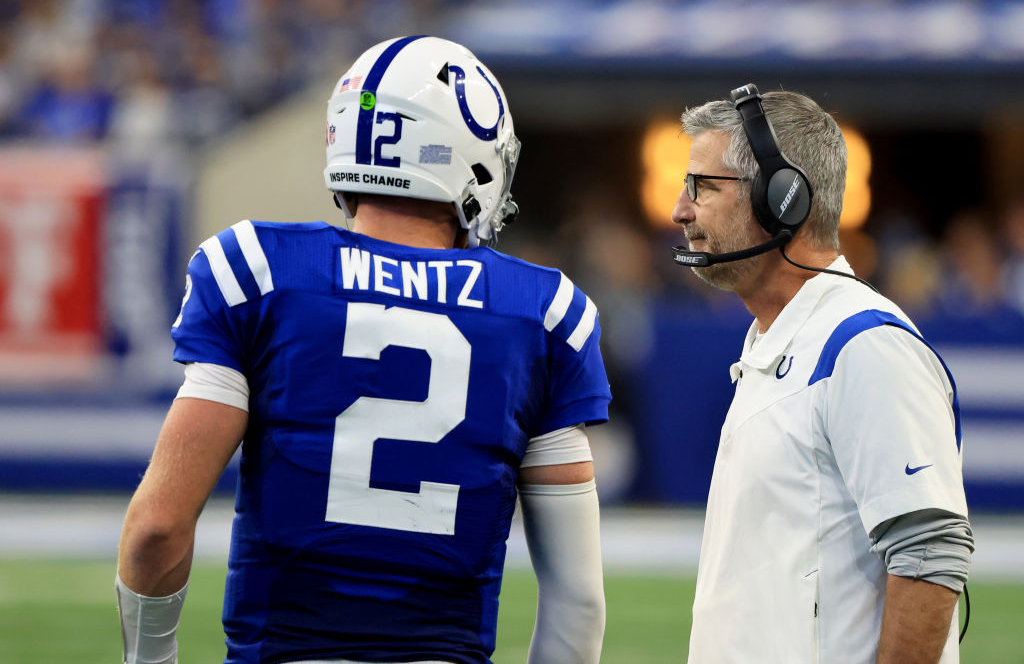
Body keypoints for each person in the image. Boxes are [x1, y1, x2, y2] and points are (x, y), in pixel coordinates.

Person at [116, 36, 610, 664]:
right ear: (468, 158)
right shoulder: (542, 311)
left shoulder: (262, 270)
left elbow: (157, 528)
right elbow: (579, 603)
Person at [670, 84, 973, 663]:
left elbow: (930, 555)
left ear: (781, 198)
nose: (681, 210)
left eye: (703, 187)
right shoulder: (781, 338)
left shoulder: (864, 344)